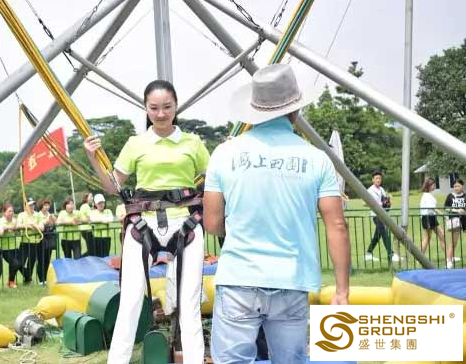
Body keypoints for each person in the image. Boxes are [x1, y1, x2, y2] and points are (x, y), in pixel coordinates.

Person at [203, 64, 350, 363]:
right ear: (295, 110)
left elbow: (213, 223)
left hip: (239, 278)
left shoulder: (224, 154)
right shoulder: (317, 159)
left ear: (254, 110)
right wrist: (342, 291)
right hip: (291, 279)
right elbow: (337, 225)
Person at [84, 79, 210, 363]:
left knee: (188, 304)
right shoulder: (136, 144)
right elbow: (113, 186)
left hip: (185, 224)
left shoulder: (193, 142)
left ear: (176, 107)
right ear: (146, 108)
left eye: (167, 107)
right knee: (130, 302)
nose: (161, 114)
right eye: (154, 108)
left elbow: (214, 179)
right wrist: (93, 159)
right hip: (143, 227)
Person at [365, 171, 400, 263]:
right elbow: (365, 202)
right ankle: (391, 254)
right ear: (373, 180)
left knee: (377, 236)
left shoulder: (381, 189)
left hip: (383, 214)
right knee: (384, 234)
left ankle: (368, 253)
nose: (378, 180)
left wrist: (388, 199)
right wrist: (377, 204)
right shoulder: (370, 190)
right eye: (376, 178)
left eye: (380, 178)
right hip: (376, 215)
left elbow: (385, 201)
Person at [18, 199, 44, 284]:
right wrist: (28, 226)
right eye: (29, 205)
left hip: (35, 242)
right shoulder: (21, 215)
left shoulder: (38, 215)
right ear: (25, 206)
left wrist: (34, 226)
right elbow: (18, 226)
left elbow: (42, 228)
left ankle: (27, 280)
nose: (32, 206)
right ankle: (28, 277)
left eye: (33, 205)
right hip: (24, 242)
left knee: (31, 263)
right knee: (19, 263)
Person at [419, 178, 446, 258]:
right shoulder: (427, 195)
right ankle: (419, 257)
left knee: (442, 235)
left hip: (431, 217)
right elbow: (431, 208)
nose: (434, 186)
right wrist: (442, 214)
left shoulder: (428, 195)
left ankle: (449, 257)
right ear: (429, 186)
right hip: (428, 218)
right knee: (427, 238)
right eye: (433, 184)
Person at [444, 179, 466, 269]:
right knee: (453, 242)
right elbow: (446, 208)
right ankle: (449, 261)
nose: (456, 188)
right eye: (454, 186)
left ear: (462, 186)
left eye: (458, 186)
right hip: (455, 221)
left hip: (464, 220)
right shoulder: (450, 196)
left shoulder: (465, 196)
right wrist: (456, 210)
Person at [0, 204, 22, 288]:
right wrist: (9, 227)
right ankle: (11, 281)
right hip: (4, 248)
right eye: (9, 211)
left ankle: (11, 282)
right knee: (15, 264)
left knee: (17, 264)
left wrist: (17, 229)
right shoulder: (0, 221)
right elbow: (2, 228)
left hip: (14, 247)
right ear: (4, 212)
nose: (11, 213)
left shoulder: (15, 220)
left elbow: (18, 232)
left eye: (12, 211)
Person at [35, 199, 56, 284]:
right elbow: (38, 225)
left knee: (47, 259)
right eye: (45, 205)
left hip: (49, 239)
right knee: (41, 260)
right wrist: (46, 221)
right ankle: (41, 279)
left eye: (48, 205)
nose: (47, 207)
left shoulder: (50, 215)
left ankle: (46, 278)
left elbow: (54, 224)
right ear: (41, 206)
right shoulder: (38, 215)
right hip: (40, 239)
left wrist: (54, 221)